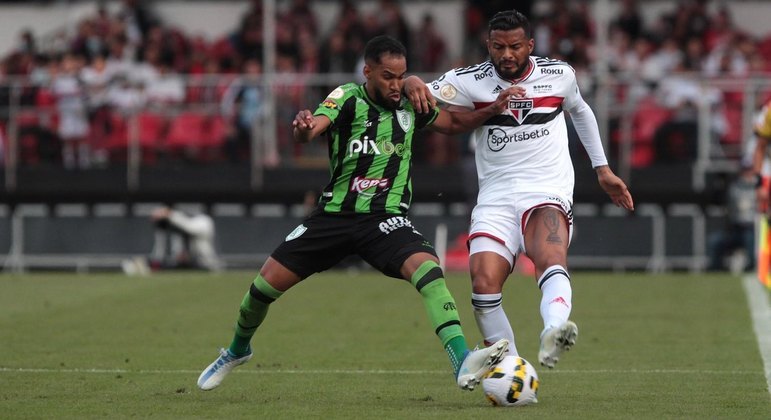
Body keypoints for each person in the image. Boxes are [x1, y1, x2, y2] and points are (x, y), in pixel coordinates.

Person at [197, 35, 522, 393]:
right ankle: (237, 351)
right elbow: (312, 129)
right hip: (333, 217)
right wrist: (304, 128)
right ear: (367, 72)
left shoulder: (410, 103)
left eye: (401, 76)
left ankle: (462, 362)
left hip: (384, 218)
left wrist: (491, 110)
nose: (397, 85)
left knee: (430, 272)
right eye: (387, 76)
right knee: (260, 289)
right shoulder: (347, 97)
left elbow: (454, 124)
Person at [404, 9, 634, 369]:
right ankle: (512, 370)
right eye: (498, 47)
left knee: (549, 256)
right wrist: (411, 81)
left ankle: (553, 331)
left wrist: (602, 169)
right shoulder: (469, 81)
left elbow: (581, 111)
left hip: (545, 189)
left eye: (515, 46)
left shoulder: (558, 75)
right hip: (494, 197)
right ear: (488, 45)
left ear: (530, 44)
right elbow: (420, 93)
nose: (507, 55)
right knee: (482, 285)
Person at [122, 206, 222, 274]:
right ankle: (137, 266)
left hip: (206, 265)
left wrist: (168, 213)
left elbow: (189, 227)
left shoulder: (202, 224)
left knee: (208, 264)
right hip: (186, 266)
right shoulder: (174, 234)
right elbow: (160, 253)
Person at [707, 167, 756, 272]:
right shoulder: (733, 188)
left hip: (753, 230)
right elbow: (721, 202)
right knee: (715, 241)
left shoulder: (759, 189)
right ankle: (716, 270)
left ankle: (751, 267)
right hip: (735, 230)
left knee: (751, 240)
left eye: (749, 171)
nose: (747, 174)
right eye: (745, 170)